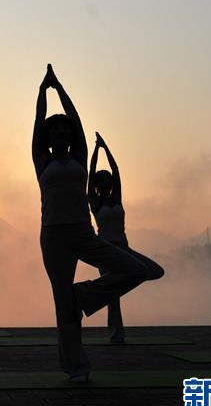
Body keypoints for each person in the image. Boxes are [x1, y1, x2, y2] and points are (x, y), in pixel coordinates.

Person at [32, 64, 160, 382]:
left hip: (83, 233)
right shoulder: (41, 159)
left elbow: (76, 121)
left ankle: (84, 297)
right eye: (55, 130)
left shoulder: (78, 158)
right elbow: (37, 125)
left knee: (137, 270)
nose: (61, 133)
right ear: (48, 137)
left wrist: (60, 89)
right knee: (63, 307)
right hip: (53, 236)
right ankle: (76, 368)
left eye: (64, 130)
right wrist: (42, 92)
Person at [88, 132, 164, 343]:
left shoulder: (116, 199)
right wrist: (95, 151)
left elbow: (116, 170)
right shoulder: (94, 202)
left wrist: (105, 148)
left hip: (124, 247)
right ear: (96, 184)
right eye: (101, 181)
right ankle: (116, 334)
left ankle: (100, 290)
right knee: (113, 297)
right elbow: (90, 173)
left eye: (107, 181)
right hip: (105, 250)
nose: (105, 183)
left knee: (155, 271)